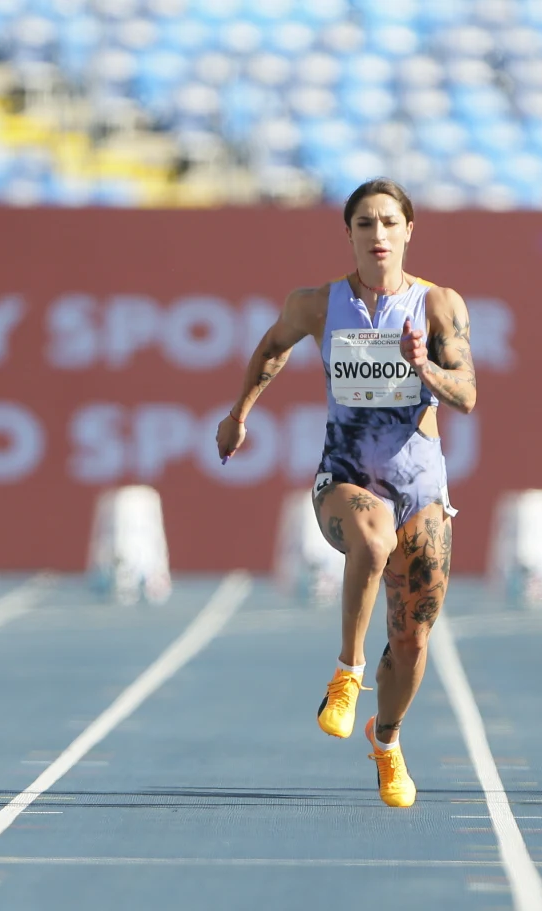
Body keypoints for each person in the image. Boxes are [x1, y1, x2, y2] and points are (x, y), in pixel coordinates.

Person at [215, 178, 476, 806]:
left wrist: (425, 368)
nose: (378, 234)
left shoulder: (438, 305)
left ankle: (385, 740)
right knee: (372, 536)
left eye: (389, 222)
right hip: (346, 478)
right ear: (350, 233)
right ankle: (348, 671)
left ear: (409, 230)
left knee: (413, 638)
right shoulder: (316, 304)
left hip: (422, 487)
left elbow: (466, 393)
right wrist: (239, 413)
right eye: (365, 224)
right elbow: (272, 349)